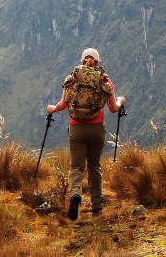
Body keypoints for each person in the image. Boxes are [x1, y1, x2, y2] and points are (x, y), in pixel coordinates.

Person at [46, 48, 125, 220]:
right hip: (97, 129)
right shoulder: (105, 80)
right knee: (94, 166)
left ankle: (76, 195)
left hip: (76, 130)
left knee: (76, 167)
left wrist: (51, 109)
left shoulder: (72, 79)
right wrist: (121, 101)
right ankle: (97, 206)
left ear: (82, 61)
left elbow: (62, 105)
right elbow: (113, 108)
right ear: (97, 62)